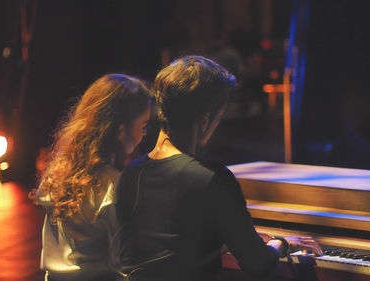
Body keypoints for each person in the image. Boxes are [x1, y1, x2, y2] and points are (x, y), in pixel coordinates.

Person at [106, 56, 322, 281]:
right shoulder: (211, 178)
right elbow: (258, 264)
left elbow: (166, 253)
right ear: (205, 121)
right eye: (219, 119)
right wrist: (282, 243)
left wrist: (224, 240)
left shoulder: (130, 174)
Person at [30, 74, 152, 281]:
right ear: (121, 131)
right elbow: (123, 261)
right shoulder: (114, 185)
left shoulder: (59, 173)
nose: (145, 133)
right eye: (143, 125)